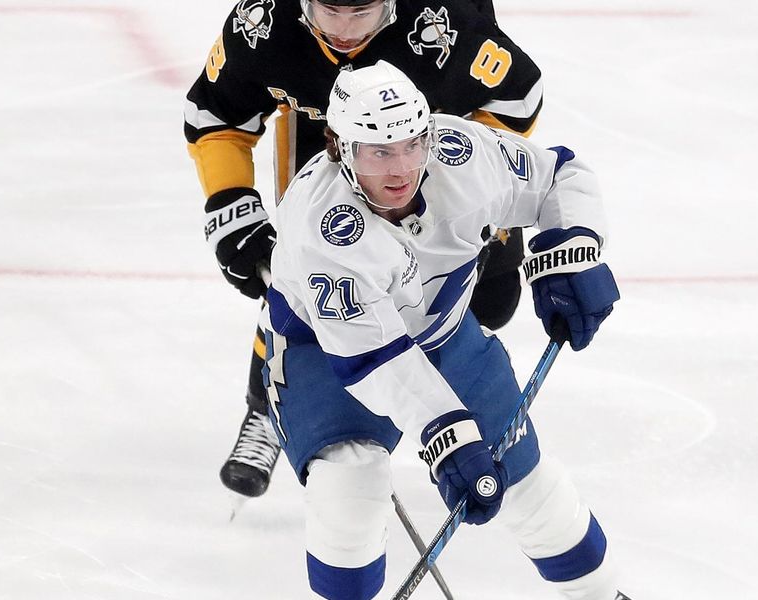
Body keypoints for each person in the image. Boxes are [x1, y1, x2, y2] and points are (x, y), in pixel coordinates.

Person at [263, 61, 627, 599]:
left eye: (412, 144)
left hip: (445, 333)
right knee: (350, 486)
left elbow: (561, 176)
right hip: (327, 356)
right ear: (339, 147)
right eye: (378, 151)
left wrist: (572, 249)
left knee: (528, 483)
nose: (401, 167)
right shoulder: (325, 228)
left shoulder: (464, 154)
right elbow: (372, 359)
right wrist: (447, 435)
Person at [185, 0, 545, 499]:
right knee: (303, 278)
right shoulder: (266, 20)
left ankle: (442, 399)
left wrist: (474, 190)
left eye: (363, 15)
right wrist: (230, 202)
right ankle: (273, 403)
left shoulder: (445, 20)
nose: (344, 33)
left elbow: (517, 97)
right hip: (329, 145)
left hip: (438, 152)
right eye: (329, 12)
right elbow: (215, 111)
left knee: (493, 301)